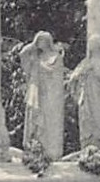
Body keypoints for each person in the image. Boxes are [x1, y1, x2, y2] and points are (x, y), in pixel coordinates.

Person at [17, 30, 66, 158]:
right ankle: (36, 149)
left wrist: (41, 68)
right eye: (38, 40)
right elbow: (22, 54)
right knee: (36, 122)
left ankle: (50, 152)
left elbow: (57, 79)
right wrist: (32, 45)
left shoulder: (56, 58)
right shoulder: (36, 58)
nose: (40, 43)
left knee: (49, 123)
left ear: (48, 42)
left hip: (50, 96)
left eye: (42, 40)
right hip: (37, 94)